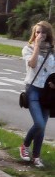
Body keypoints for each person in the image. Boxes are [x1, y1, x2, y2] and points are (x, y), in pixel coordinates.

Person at [19, 21, 55, 168]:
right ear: (34, 34)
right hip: (33, 88)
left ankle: (36, 156)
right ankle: (25, 146)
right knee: (39, 123)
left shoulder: (52, 51)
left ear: (48, 35)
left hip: (47, 91)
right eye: (37, 32)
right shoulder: (27, 49)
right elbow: (32, 64)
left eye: (43, 33)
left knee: (42, 126)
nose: (40, 35)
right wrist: (37, 48)